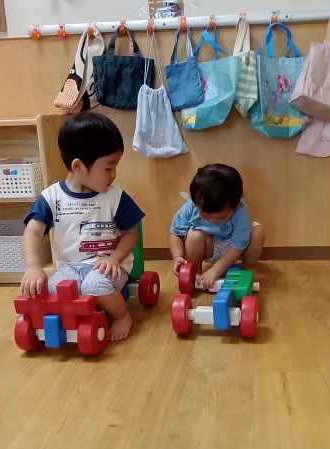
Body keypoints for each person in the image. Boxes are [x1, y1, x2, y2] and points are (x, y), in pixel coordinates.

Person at [20, 112, 144, 341]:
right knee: (53, 289)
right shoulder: (51, 197)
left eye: (115, 166)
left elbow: (131, 233)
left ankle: (122, 316)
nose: (114, 174)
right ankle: (71, 320)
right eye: (108, 168)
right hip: (68, 268)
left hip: (107, 267)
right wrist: (33, 266)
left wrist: (114, 258)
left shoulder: (115, 197)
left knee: (94, 286)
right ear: (78, 166)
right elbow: (33, 232)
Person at [170, 163, 267, 288]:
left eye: (222, 217)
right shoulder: (190, 206)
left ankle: (248, 269)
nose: (213, 221)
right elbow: (176, 233)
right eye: (205, 216)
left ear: (236, 203)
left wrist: (215, 270)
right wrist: (178, 256)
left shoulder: (240, 209)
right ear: (195, 201)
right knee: (193, 235)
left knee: (258, 231)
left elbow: (238, 245)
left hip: (234, 246)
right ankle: (196, 272)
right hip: (208, 246)